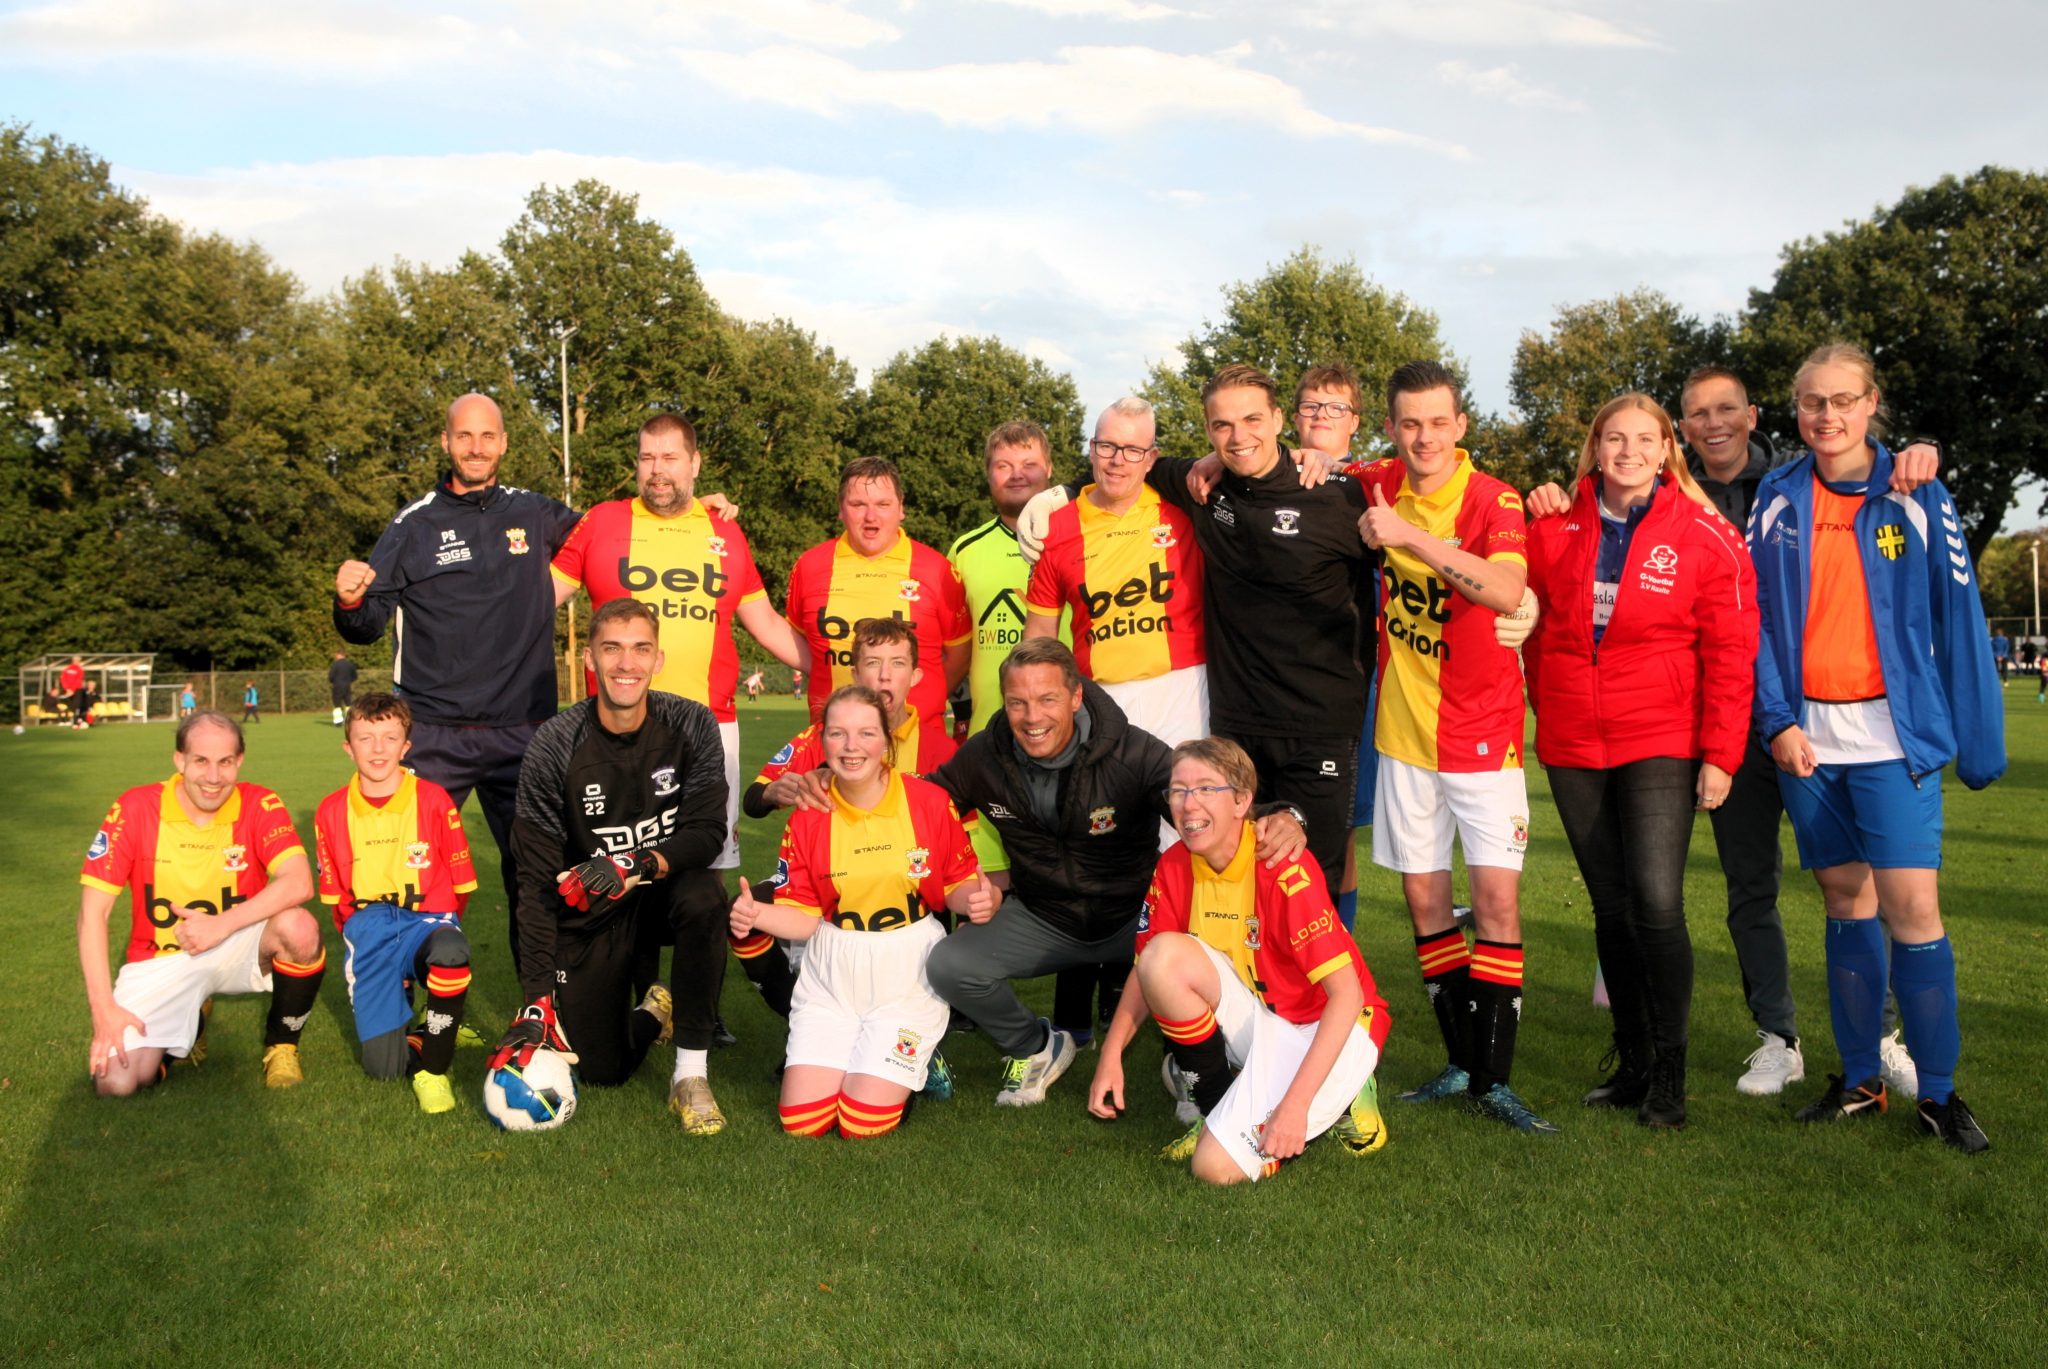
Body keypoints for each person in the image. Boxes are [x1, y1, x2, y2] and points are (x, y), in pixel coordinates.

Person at [1528, 370, 1940, 1095]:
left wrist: (1919, 451)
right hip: (1680, 730)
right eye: (1697, 414)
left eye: (1725, 409)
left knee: (1852, 887)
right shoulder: (1586, 516)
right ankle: (1776, 1036)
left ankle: (1878, 1039)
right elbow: (1535, 613)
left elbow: (1861, 467)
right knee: (1744, 888)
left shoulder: (1786, 484)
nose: (1713, 423)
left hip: (1791, 722)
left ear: (1749, 416)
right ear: (1681, 431)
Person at [1750, 342, 2002, 1153]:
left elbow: (1960, 616)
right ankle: (1860, 1080)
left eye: (1843, 400)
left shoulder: (1918, 491)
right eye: (1813, 402)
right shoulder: (1777, 494)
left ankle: (1938, 1091)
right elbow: (1751, 618)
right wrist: (1777, 721)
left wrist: (1978, 736)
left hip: (1893, 738)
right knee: (1842, 901)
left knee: (1913, 909)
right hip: (1809, 742)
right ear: (1798, 410)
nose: (1827, 415)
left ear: (1871, 403)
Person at [1020, 365, 1372, 899]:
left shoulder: (1340, 494)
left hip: (1318, 728)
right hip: (1234, 726)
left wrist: (1515, 594)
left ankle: (1335, 985)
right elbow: (1124, 465)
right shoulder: (1202, 488)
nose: (1238, 436)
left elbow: (1411, 550)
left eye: (1253, 419)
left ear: (1279, 418)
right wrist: (1058, 493)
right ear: (1207, 431)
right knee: (1230, 881)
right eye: (1222, 425)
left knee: (1307, 891)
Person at [923, 637, 1306, 1106]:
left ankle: (1190, 1060)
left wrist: (1284, 815)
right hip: (1044, 917)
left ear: (1076, 695)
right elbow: (922, 808)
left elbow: (1205, 802)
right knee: (950, 965)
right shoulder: (985, 756)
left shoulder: (1133, 753)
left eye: (1047, 699)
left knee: (1200, 951)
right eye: (1017, 703)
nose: (1032, 717)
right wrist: (835, 782)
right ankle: (1037, 1047)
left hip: (1136, 919)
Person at [1523, 394, 1758, 1128]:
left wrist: (1721, 755)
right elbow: (1524, 617)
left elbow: (1731, 654)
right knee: (1611, 903)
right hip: (1572, 738)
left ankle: (1671, 1075)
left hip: (1661, 735)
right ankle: (1632, 1062)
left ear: (1667, 451)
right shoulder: (1553, 526)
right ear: (1594, 446)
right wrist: (1547, 697)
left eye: (1643, 439)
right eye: (1613, 437)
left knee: (1657, 901)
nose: (1627, 450)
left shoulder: (1705, 534)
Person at [1355, 361, 1553, 1133]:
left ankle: (1496, 1079)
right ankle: (1462, 1062)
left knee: (1498, 902)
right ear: (1393, 427)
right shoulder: (1376, 479)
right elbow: (1306, 457)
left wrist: (1408, 536)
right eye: (1408, 423)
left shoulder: (1491, 497)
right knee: (1425, 901)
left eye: (1438, 422)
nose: (1424, 437)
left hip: (1483, 736)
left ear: (1461, 425)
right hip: (1404, 739)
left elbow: (1506, 590)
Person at [334, 393, 581, 975]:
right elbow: (368, 622)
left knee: (537, 870)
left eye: (488, 436)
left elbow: (615, 535)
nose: (476, 447)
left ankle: (540, 1002)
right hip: (436, 735)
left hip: (526, 732)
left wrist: (694, 510)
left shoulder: (535, 513)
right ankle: (410, 999)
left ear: (504, 444)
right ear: (446, 443)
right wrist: (348, 599)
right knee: (415, 873)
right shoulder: (413, 524)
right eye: (464, 436)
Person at [1087, 737, 1391, 1184]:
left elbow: (1346, 996)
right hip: (1261, 1022)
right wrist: (1110, 1055)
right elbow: (1148, 967)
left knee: (1214, 1170)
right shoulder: (1175, 864)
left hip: (1331, 1029)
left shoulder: (1282, 864)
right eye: (1178, 790)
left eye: (1206, 789)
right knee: (1161, 956)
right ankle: (1217, 1110)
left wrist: (1294, 1109)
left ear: (1243, 801)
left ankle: (1348, 1091)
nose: (1189, 805)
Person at [503, 597, 732, 1130]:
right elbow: (533, 880)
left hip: (660, 892)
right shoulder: (555, 744)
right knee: (601, 1068)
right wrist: (536, 1000)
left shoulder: (692, 724)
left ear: (658, 659)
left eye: (639, 649)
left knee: (704, 896)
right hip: (593, 914)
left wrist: (635, 863)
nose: (626, 664)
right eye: (612, 648)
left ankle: (690, 1075)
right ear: (589, 658)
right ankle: (655, 1011)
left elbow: (706, 833)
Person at [551, 412, 809, 885]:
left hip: (709, 729)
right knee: (608, 873)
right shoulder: (602, 521)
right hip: (614, 731)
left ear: (695, 463)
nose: (658, 469)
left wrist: (840, 668)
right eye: (647, 457)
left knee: (705, 874)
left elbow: (767, 623)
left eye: (670, 457)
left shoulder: (725, 531)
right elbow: (537, 599)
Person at [729, 685, 998, 1137]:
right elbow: (805, 918)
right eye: (838, 734)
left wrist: (976, 899)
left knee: (861, 1123)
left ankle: (916, 1062)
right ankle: (865, 1053)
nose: (851, 747)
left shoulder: (929, 802)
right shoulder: (809, 815)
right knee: (802, 1122)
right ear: (823, 742)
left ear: (887, 740)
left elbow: (957, 884)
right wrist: (754, 916)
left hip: (906, 968)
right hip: (833, 971)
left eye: (866, 733)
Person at [77, 711, 326, 1094]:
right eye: (201, 761)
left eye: (225, 762)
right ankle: (191, 1023)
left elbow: (299, 881)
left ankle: (282, 1046)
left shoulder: (259, 803)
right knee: (116, 1082)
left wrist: (221, 925)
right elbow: (93, 913)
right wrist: (103, 1009)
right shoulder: (135, 807)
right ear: (179, 760)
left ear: (239, 761)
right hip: (160, 961)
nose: (213, 777)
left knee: (300, 928)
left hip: (236, 944)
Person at [732, 617, 958, 1018]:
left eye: (897, 663)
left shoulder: (941, 746)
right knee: (741, 916)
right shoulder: (824, 734)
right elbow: (753, 799)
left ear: (916, 675)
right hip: (826, 887)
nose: (884, 675)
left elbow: (960, 855)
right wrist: (775, 790)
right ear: (854, 672)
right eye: (872, 662)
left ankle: (919, 1018)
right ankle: (802, 1018)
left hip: (906, 897)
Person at [313, 693, 478, 1114]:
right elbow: (337, 905)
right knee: (384, 1068)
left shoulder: (435, 800)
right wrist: (366, 941)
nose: (378, 748)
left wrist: (442, 931)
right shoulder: (330, 811)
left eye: (390, 737)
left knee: (450, 951)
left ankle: (434, 1072)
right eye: (366, 738)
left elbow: (460, 888)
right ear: (348, 747)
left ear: (406, 746)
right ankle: (433, 1024)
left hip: (426, 922)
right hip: (371, 931)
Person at [784, 456, 971, 728]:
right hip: (834, 744)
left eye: (883, 504)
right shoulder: (809, 566)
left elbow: (959, 655)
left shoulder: (938, 570)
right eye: (858, 504)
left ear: (901, 508)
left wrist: (926, 698)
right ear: (840, 509)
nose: (871, 517)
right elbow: (798, 642)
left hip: (918, 745)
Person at [328, 650, 359, 726]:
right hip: (347, 685)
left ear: (338, 655)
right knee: (348, 703)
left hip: (337, 686)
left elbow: (331, 676)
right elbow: (355, 676)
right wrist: (349, 681)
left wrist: (334, 681)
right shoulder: (350, 664)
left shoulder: (335, 665)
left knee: (337, 704)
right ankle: (349, 720)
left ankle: (338, 721)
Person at [60, 655, 88, 728]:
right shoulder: (68, 669)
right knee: (72, 706)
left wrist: (71, 690)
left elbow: (78, 680)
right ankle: (72, 721)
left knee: (77, 706)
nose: (78, 662)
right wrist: (68, 689)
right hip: (70, 690)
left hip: (76, 690)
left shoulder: (80, 669)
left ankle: (76, 722)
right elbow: (63, 679)